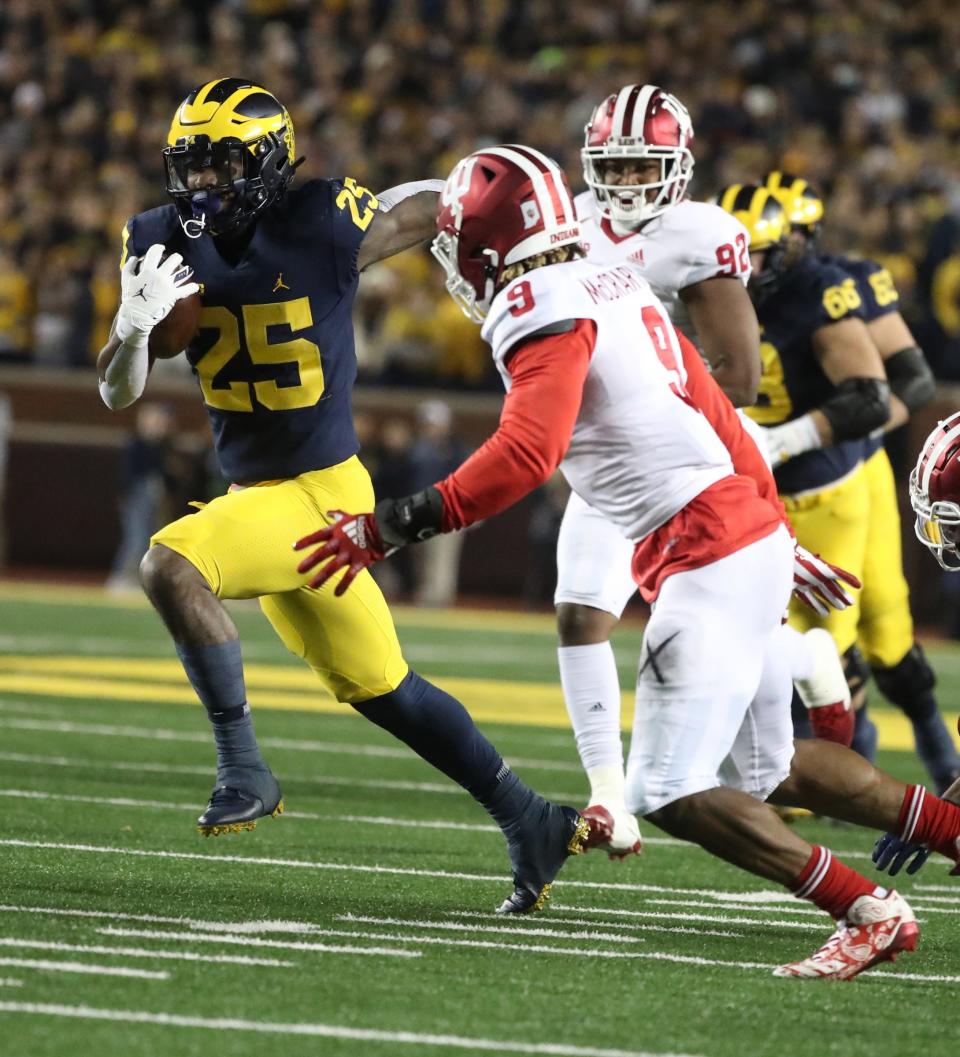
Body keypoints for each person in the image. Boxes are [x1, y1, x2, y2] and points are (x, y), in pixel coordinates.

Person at [296, 143, 960, 979]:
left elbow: (528, 453)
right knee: (778, 767)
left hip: (705, 547)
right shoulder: (609, 283)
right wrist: (773, 532)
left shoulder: (538, 302)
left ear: (490, 243)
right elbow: (716, 408)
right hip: (733, 527)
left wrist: (395, 523)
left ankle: (868, 911)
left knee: (666, 790)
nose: (453, 262)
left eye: (459, 241)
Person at [96, 79, 587, 915]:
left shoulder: (323, 217)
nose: (206, 182)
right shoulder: (159, 235)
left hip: (320, 491)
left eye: (225, 162)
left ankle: (243, 768)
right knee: (384, 688)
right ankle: (530, 815)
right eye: (194, 165)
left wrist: (521, 219)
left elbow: (427, 204)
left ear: (269, 158)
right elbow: (119, 392)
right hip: (266, 495)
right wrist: (130, 331)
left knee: (170, 565)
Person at [552, 86, 852, 854]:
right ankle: (607, 797)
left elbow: (742, 378)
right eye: (612, 166)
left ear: (678, 167)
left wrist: (652, 411)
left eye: (640, 166)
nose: (623, 183)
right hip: (606, 447)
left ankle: (798, 655)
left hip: (689, 448)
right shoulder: (566, 218)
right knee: (582, 610)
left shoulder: (698, 234)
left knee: (688, 624)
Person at [764, 171, 960, 792]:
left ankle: (905, 767)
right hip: (769, 482)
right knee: (793, 630)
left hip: (845, 474)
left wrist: (850, 431)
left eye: (784, 236)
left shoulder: (836, 286)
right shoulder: (718, 291)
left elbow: (909, 382)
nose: (768, 251)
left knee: (874, 631)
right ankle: (847, 772)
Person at [106, 402, 177, 593]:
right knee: (136, 538)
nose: (161, 424)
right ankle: (121, 578)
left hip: (155, 500)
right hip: (138, 499)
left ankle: (137, 580)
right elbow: (128, 477)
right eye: (156, 420)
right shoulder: (136, 444)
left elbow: (169, 478)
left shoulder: (164, 446)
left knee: (149, 539)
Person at [408, 400, 468, 607]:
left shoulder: (455, 449)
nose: (429, 429)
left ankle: (440, 599)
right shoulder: (417, 448)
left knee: (443, 557)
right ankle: (426, 594)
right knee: (422, 557)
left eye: (433, 424)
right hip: (418, 509)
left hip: (447, 511)